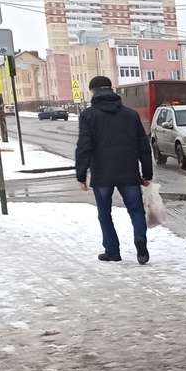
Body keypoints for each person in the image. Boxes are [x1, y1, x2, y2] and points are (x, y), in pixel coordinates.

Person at [75, 75, 153, 264]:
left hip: (102, 173)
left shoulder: (88, 115)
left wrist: (81, 175)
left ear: (93, 92)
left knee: (104, 212)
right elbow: (144, 146)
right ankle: (140, 240)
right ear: (111, 89)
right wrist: (147, 173)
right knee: (136, 210)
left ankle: (112, 251)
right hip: (129, 171)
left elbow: (84, 146)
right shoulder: (131, 114)